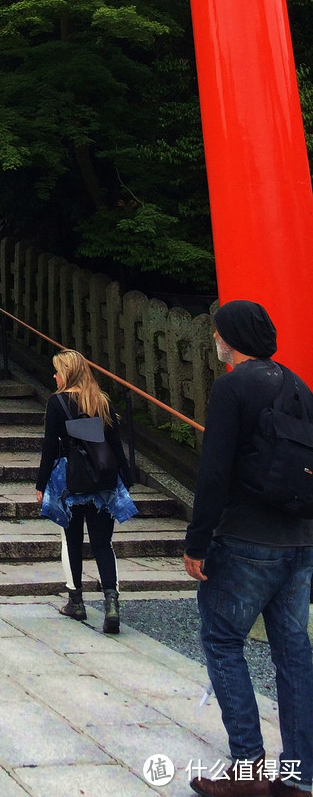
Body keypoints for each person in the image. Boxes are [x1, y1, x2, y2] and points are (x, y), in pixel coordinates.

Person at [183, 301, 313, 797]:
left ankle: (250, 769)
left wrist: (197, 540)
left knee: (222, 640)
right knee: (293, 651)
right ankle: (299, 776)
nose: (215, 341)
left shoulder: (233, 386)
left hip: (246, 539)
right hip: (301, 538)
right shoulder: (300, 385)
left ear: (229, 337)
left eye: (217, 334)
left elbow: (214, 471)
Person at [35, 348, 135, 634]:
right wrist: (125, 479)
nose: (54, 376)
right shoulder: (100, 400)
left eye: (57, 371)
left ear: (67, 373)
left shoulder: (58, 402)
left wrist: (41, 484)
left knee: (72, 540)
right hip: (104, 481)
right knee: (104, 544)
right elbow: (116, 445)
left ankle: (75, 601)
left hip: (72, 479)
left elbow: (50, 447)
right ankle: (111, 603)